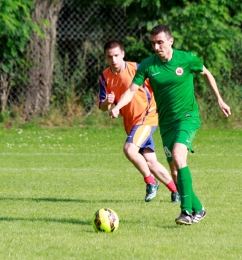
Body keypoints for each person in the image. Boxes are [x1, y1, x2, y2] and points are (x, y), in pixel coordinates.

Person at [109, 25, 231, 225]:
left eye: (160, 42)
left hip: (187, 117)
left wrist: (219, 99)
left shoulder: (187, 58)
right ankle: (199, 208)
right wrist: (117, 107)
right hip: (165, 123)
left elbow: (206, 73)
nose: (157, 47)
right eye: (153, 43)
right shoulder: (148, 65)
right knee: (174, 172)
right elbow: (131, 90)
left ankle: (186, 212)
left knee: (178, 156)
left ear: (170, 41)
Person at [98, 40, 180, 203]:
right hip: (131, 124)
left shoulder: (138, 69)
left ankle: (151, 182)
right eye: (110, 57)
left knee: (129, 149)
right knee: (150, 161)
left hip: (147, 116)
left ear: (123, 54)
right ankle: (176, 190)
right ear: (106, 58)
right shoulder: (104, 77)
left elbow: (158, 85)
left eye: (116, 56)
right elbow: (102, 106)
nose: (114, 60)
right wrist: (108, 102)